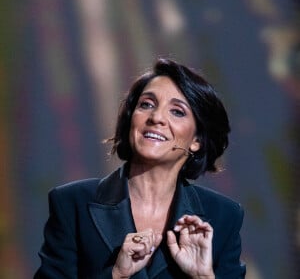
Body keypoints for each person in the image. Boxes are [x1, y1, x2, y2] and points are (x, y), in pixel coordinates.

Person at [34, 58, 246, 279]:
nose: (156, 118)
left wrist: (204, 277)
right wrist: (116, 275)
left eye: (177, 112)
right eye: (147, 104)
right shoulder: (72, 203)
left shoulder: (223, 216)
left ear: (197, 140)